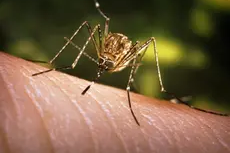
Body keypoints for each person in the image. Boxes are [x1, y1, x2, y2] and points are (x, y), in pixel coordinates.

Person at [0, 52, 229, 153]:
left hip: (120, 55)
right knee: (95, 25)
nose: (101, 68)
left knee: (149, 41)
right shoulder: (102, 52)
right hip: (109, 50)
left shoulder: (121, 60)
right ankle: (60, 64)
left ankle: (157, 89)